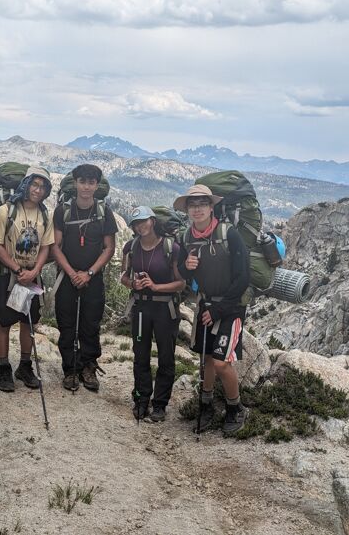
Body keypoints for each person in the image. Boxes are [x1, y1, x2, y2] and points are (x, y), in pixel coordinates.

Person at [175, 184, 250, 435]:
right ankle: (206, 405)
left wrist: (219, 310)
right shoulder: (187, 237)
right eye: (192, 205)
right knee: (206, 359)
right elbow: (184, 273)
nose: (197, 209)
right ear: (187, 209)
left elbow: (243, 278)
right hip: (205, 304)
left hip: (231, 307)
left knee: (220, 363)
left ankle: (235, 407)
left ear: (211, 207)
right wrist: (187, 265)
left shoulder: (229, 234)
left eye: (202, 204)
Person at [51, 164, 118, 392]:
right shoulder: (62, 211)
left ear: (96, 185)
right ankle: (70, 369)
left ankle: (88, 365)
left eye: (91, 182)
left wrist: (89, 273)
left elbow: (109, 247)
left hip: (93, 277)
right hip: (67, 277)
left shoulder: (103, 212)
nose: (86, 186)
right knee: (67, 324)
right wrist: (72, 273)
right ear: (75, 183)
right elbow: (56, 246)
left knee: (91, 323)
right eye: (83, 181)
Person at [0, 166, 55, 392]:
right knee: (5, 321)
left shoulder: (45, 215)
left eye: (43, 186)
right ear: (26, 184)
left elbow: (46, 246)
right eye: (35, 185)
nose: (38, 190)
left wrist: (34, 271)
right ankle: (4, 367)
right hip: (9, 275)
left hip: (31, 276)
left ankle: (25, 366)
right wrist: (18, 270)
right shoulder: (6, 211)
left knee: (29, 321)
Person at [120, 206, 185, 422]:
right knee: (141, 357)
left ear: (153, 221)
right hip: (141, 308)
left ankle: (160, 405)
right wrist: (133, 283)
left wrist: (156, 287)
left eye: (144, 221)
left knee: (166, 357)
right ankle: (141, 399)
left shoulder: (171, 248)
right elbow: (123, 276)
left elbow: (181, 282)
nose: (141, 226)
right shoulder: (131, 247)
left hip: (165, 309)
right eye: (136, 223)